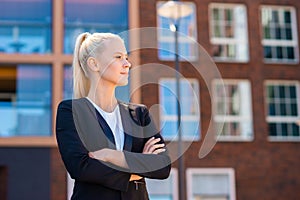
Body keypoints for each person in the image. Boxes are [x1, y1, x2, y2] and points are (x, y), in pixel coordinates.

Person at [55, 32, 171, 200]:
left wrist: (113, 156)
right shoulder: (71, 111)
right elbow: (81, 167)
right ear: (94, 64)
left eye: (126, 57)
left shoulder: (139, 114)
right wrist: (139, 167)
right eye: (118, 57)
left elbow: (163, 166)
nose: (127, 64)